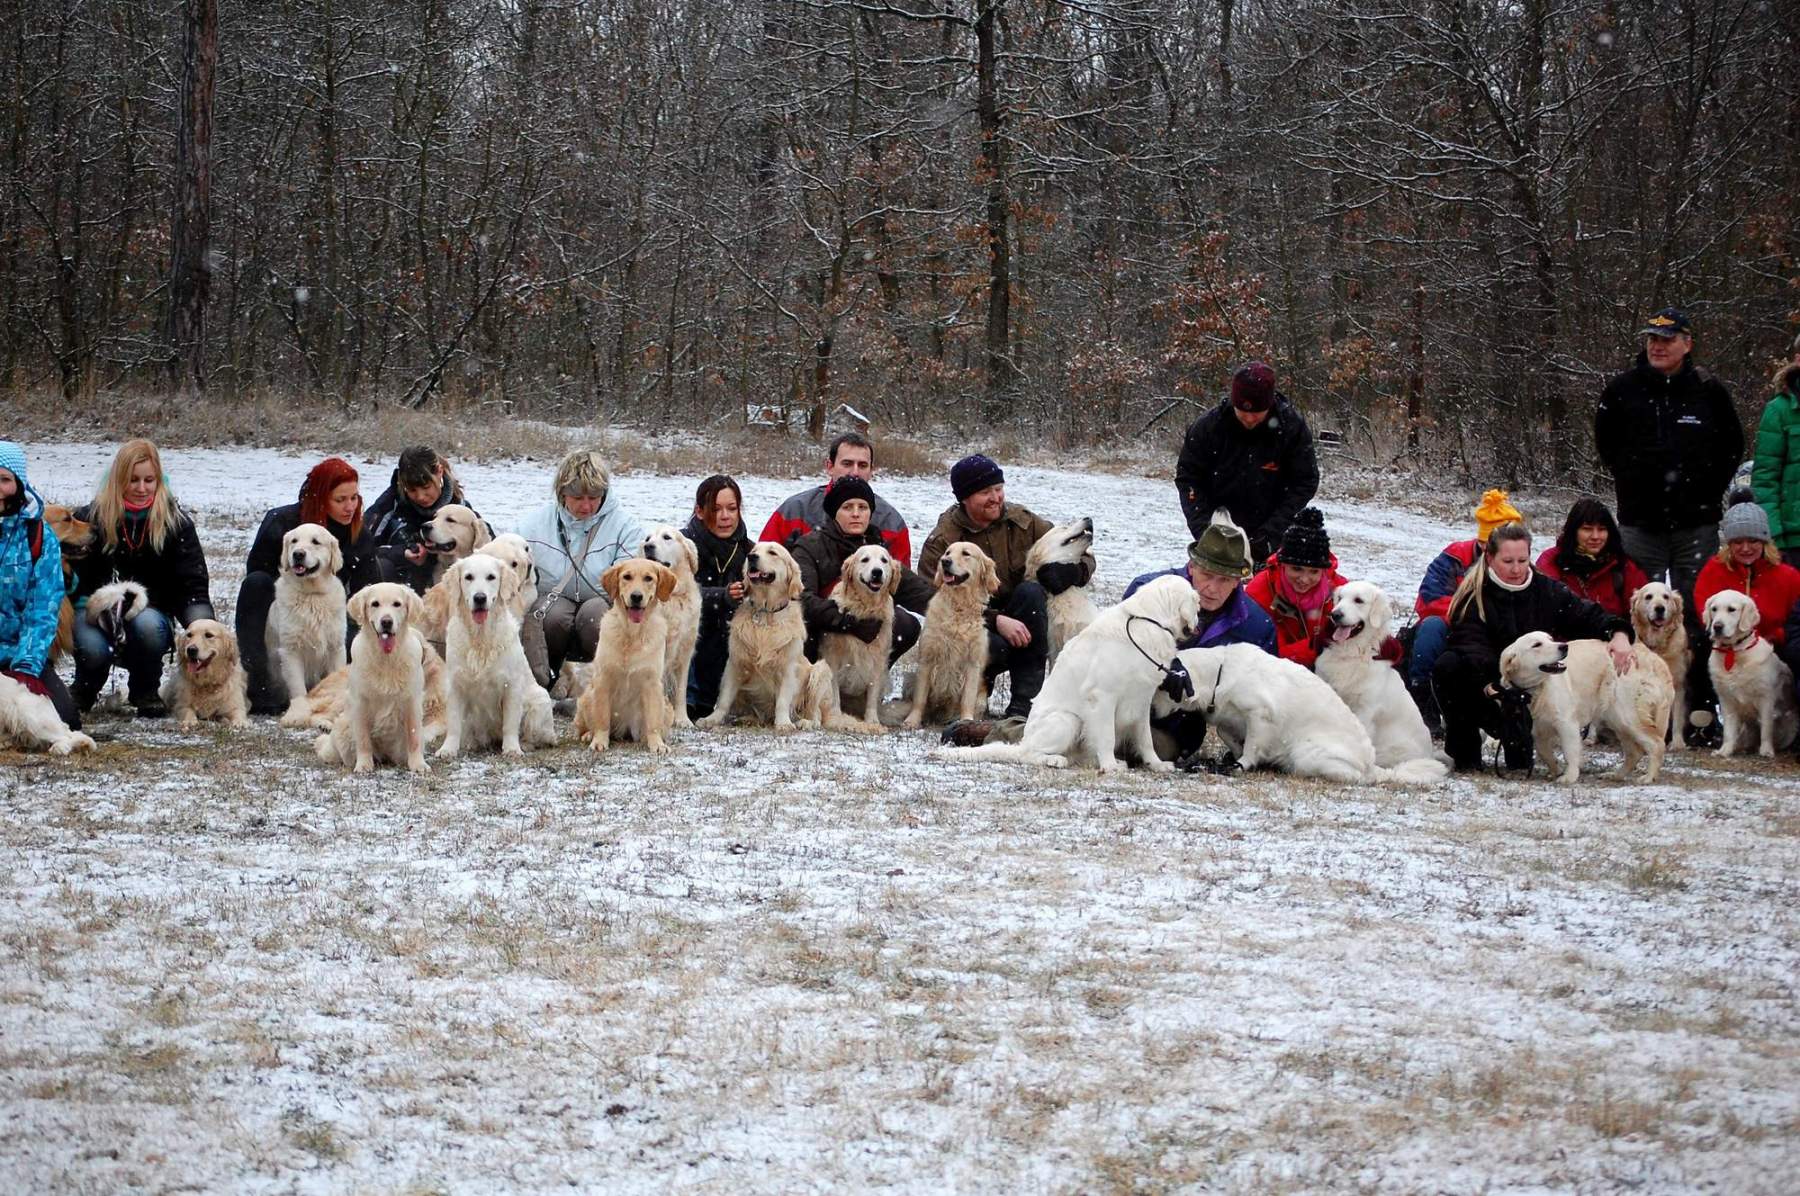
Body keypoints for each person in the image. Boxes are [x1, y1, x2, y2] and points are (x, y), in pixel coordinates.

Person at [1432, 522, 1633, 772]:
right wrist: (1500, 685)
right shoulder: (1473, 597)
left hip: (1535, 690)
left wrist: (1619, 632)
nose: (1516, 569)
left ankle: (1521, 742)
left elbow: (1588, 615)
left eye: (1522, 560)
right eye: (1508, 561)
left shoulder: (1547, 590)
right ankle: (1465, 753)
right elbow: (1471, 647)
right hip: (1489, 685)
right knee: (1448, 666)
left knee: (1519, 763)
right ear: (1490, 558)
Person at [916, 454, 1087, 724]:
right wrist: (995, 619)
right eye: (985, 492)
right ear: (965, 498)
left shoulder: (1024, 522)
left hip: (1024, 617)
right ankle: (969, 697)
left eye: (998, 489)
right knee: (988, 644)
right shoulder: (944, 539)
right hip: (974, 628)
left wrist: (1073, 572)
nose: (996, 498)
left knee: (1031, 593)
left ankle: (1023, 706)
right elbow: (929, 594)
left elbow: (1077, 547)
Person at [1594, 306, 1743, 608]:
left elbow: (1732, 446)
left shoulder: (1709, 391)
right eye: (1652, 339)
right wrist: (1632, 480)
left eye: (1667, 339)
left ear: (1687, 344)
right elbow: (1606, 443)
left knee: (1698, 608)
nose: (1657, 346)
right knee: (1641, 609)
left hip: (1696, 524)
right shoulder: (1622, 389)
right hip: (1640, 524)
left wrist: (1707, 491)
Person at [68, 439, 214, 718]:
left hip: (150, 613)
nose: (141, 488)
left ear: (159, 480)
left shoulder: (176, 523)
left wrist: (204, 627)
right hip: (92, 610)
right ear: (118, 480)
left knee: (148, 627)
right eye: (132, 480)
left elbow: (192, 586)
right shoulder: (88, 518)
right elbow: (68, 575)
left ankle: (145, 689)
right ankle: (85, 687)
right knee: (93, 647)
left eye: (149, 480)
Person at [1122, 510, 1278, 759]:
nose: (1212, 588)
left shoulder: (1257, 627)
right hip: (1124, 701)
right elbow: (1119, 647)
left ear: (1239, 580)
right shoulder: (1147, 592)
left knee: (1153, 749)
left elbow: (1268, 692)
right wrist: (1163, 662)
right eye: (1207, 574)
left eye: (1225, 579)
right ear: (1192, 566)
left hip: (1178, 723)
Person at [236, 457, 383, 714]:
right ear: (320, 498)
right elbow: (257, 576)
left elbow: (370, 590)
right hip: (286, 611)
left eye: (354, 498)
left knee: (351, 641)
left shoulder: (358, 535)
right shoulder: (282, 522)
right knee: (255, 584)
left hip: (334, 612)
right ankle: (260, 685)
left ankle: (338, 695)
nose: (350, 507)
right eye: (340, 500)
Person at [515, 448, 645, 685]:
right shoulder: (531, 526)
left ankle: (609, 684)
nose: (586, 506)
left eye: (593, 497)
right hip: (553, 599)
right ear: (562, 493)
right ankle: (545, 681)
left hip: (601, 601)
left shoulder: (626, 527)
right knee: (550, 616)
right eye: (577, 498)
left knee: (596, 615)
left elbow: (628, 582)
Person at [1174, 360, 1320, 565]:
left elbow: (1305, 482)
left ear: (1269, 404)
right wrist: (1205, 531)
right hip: (1217, 529)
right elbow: (1189, 479)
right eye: (1243, 411)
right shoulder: (1208, 427)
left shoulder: (1292, 429)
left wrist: (1271, 533)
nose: (1250, 418)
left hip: (1271, 537)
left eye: (1257, 412)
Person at [1407, 488, 1523, 732]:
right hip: (1450, 624)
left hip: (1497, 632)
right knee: (1430, 628)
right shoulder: (1454, 557)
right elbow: (1429, 599)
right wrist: (1469, 615)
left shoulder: (1519, 565)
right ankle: (1422, 699)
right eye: (1487, 545)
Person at [791, 476, 934, 664]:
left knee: (905, 624)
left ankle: (872, 674)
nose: (856, 514)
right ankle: (812, 675)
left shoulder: (878, 550)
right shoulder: (810, 546)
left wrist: (957, 609)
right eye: (847, 507)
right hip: (818, 631)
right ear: (834, 513)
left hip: (865, 634)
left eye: (863, 507)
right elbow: (801, 598)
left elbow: (916, 591)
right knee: (804, 627)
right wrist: (848, 622)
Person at [0, 441, 79, 729]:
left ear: (19, 483)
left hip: (20, 654)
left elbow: (42, 610)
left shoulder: (39, 535)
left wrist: (26, 667)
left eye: (4, 480)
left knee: (66, 720)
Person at [760, 432, 912, 566]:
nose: (855, 472)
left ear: (871, 470)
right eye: (847, 464)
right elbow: (762, 565)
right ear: (830, 466)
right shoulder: (794, 510)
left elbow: (901, 582)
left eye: (862, 465)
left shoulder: (891, 521)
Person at [1693, 502, 1800, 680]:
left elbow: (1795, 622)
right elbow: (1704, 609)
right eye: (1738, 542)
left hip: (1775, 652)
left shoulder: (1788, 576)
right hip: (1723, 646)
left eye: (1753, 540)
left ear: (1765, 542)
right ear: (1729, 544)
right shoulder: (1714, 570)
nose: (1745, 548)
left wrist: (1775, 636)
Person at [1243, 507, 1347, 669]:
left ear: (1324, 570)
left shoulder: (1341, 591)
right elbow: (1266, 653)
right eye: (1297, 569)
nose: (1304, 579)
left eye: (1314, 571)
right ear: (1282, 564)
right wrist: (1318, 646)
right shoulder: (1260, 591)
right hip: (1274, 673)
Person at [365, 445, 477, 593]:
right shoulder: (388, 505)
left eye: (426, 487)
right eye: (411, 490)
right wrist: (401, 553)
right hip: (396, 591)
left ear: (439, 472)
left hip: (445, 588)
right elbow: (359, 548)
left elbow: (486, 545)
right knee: (380, 566)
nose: (420, 497)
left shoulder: (460, 509)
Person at [684, 474, 751, 720]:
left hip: (728, 643)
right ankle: (688, 701)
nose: (725, 516)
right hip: (694, 639)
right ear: (699, 512)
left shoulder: (749, 552)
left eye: (732, 509)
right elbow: (676, 593)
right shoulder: (681, 546)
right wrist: (720, 597)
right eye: (716, 509)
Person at [1535, 498, 1650, 618]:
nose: (1595, 536)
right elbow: (1544, 608)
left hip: (1615, 629)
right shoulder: (1552, 561)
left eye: (1602, 529)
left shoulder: (1623, 565)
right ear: (1573, 531)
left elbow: (1641, 614)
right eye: (1587, 529)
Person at [1751, 332, 1800, 568]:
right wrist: (1774, 537)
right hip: (1794, 540)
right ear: (1798, 359)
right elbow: (1765, 480)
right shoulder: (1779, 410)